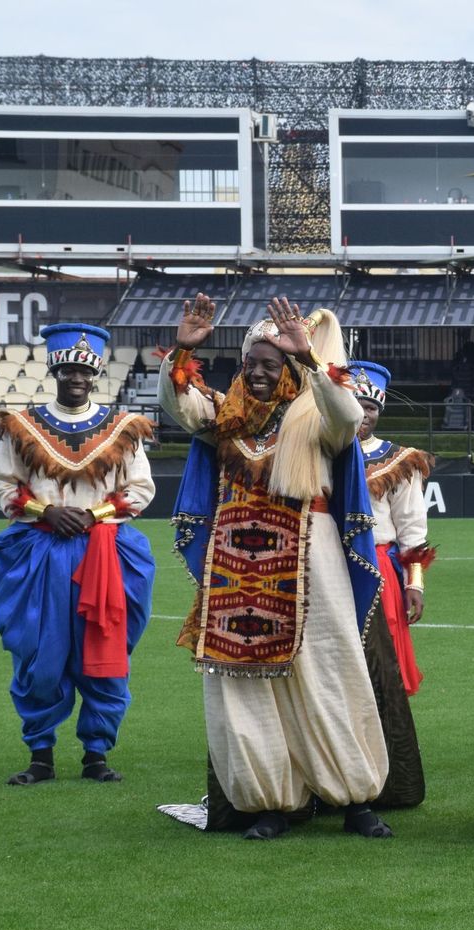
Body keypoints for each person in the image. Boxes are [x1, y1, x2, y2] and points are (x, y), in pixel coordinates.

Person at [160, 294, 393, 841]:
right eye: (252, 363)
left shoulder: (316, 420)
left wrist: (310, 359)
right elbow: (178, 406)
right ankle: (271, 803)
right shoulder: (223, 416)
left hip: (312, 558)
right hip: (234, 568)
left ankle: (355, 798)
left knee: (330, 673)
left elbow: (350, 414)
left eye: (272, 363)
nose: (260, 372)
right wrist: (183, 350)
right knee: (243, 687)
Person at [0, 322, 157, 786]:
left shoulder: (124, 429)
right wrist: (47, 511)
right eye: (68, 369)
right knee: (39, 651)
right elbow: (2, 484)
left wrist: (94, 513)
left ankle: (96, 755)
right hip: (42, 548)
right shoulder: (21, 426)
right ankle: (40, 755)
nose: (76, 377)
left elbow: (139, 490)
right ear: (54, 369)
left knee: (104, 650)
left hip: (107, 550)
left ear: (97, 372)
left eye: (84, 369)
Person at [350, 359, 432, 809]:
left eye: (371, 406)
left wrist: (414, 583)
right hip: (331, 567)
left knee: (383, 669)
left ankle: (388, 757)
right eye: (356, 404)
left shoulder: (399, 461)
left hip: (380, 570)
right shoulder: (322, 449)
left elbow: (412, 531)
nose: (364, 413)